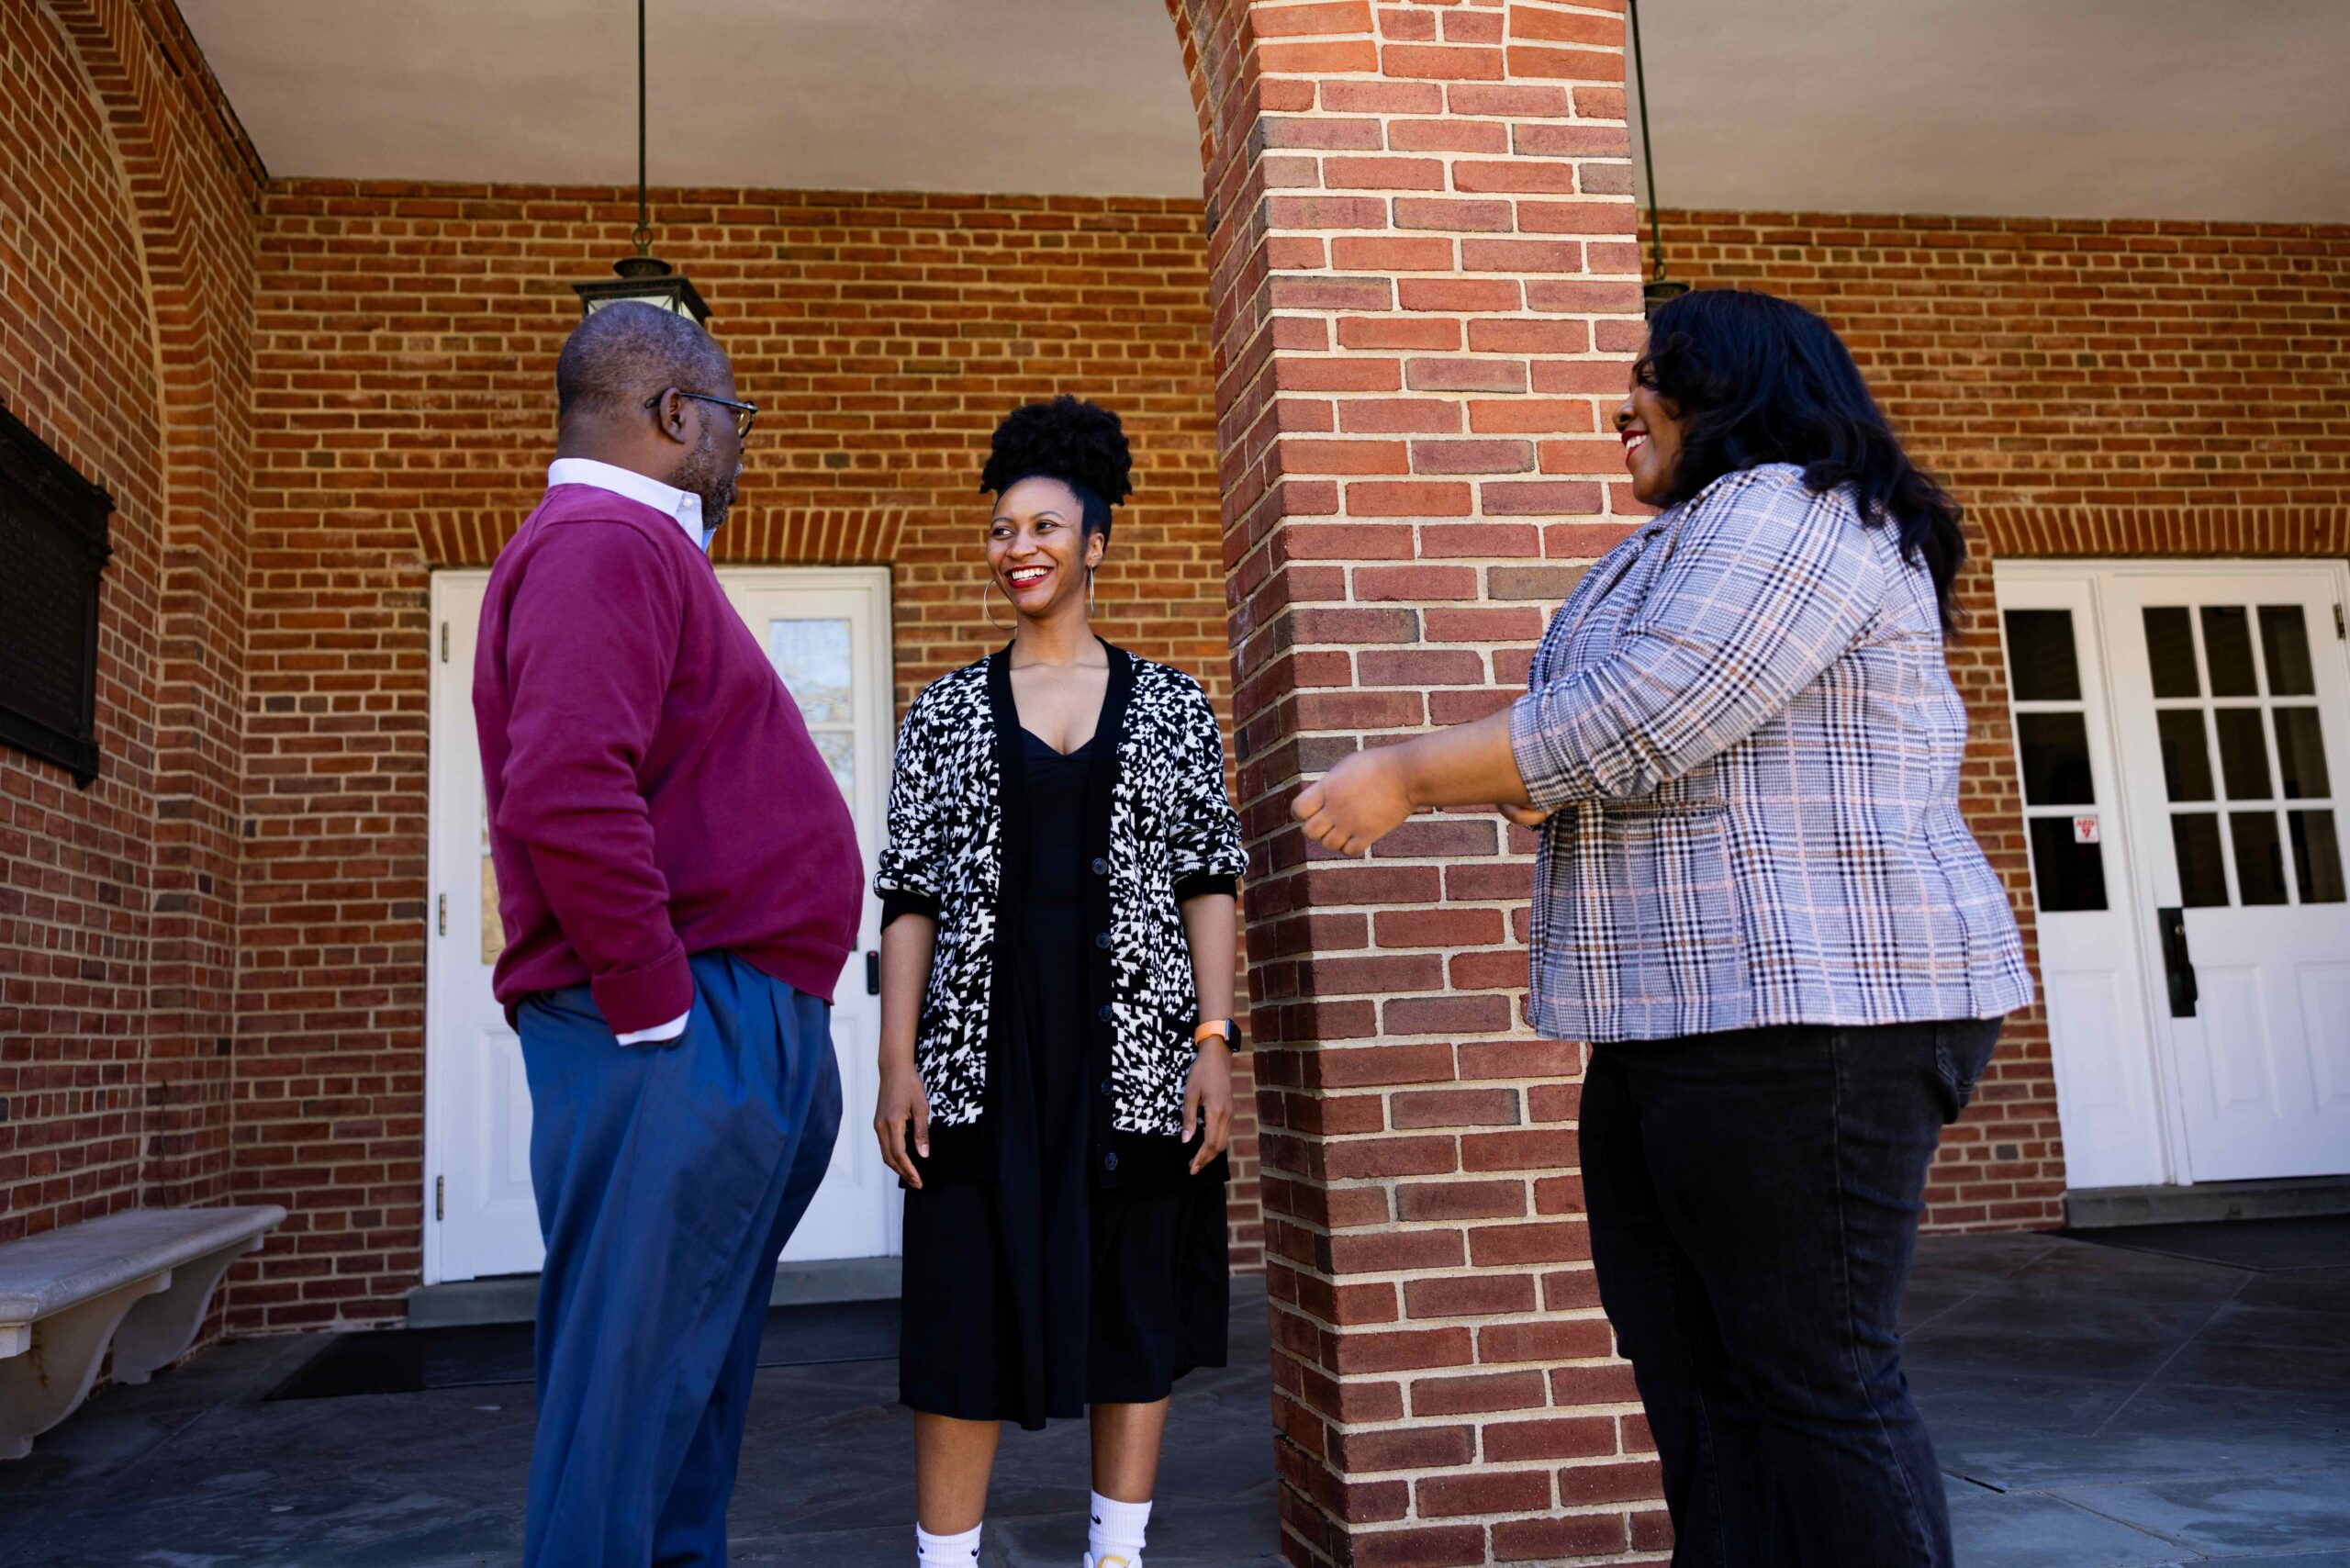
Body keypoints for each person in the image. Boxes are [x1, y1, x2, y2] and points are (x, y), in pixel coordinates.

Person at [1292, 288, 2033, 1568]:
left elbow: (1646, 712)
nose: (1617, 406)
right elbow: (1595, 739)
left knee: (1814, 1380)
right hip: (1683, 1020)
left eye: (1648, 377)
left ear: (1725, 385)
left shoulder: (1797, 506)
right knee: (1696, 1375)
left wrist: (1411, 774)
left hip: (1814, 1019)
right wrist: (1529, 773)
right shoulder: (1682, 537)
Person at [473, 300, 864, 1567]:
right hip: (672, 1031)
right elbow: (568, 789)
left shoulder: (628, 551)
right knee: (630, 1406)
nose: (739, 450)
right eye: (733, 420)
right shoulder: (605, 544)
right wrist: (659, 1011)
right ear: (676, 414)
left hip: (713, 1022)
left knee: (685, 1396)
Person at [873, 395, 1247, 1568]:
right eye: (999, 530)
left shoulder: (1173, 703)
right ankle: (947, 1560)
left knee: (1132, 1301)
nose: (1016, 548)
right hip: (981, 1061)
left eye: (1042, 526)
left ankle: (1116, 1553)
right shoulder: (942, 711)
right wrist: (897, 1064)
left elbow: (1210, 878)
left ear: (1095, 544)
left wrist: (1212, 1039)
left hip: (1134, 1053)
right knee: (961, 1309)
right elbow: (908, 899)